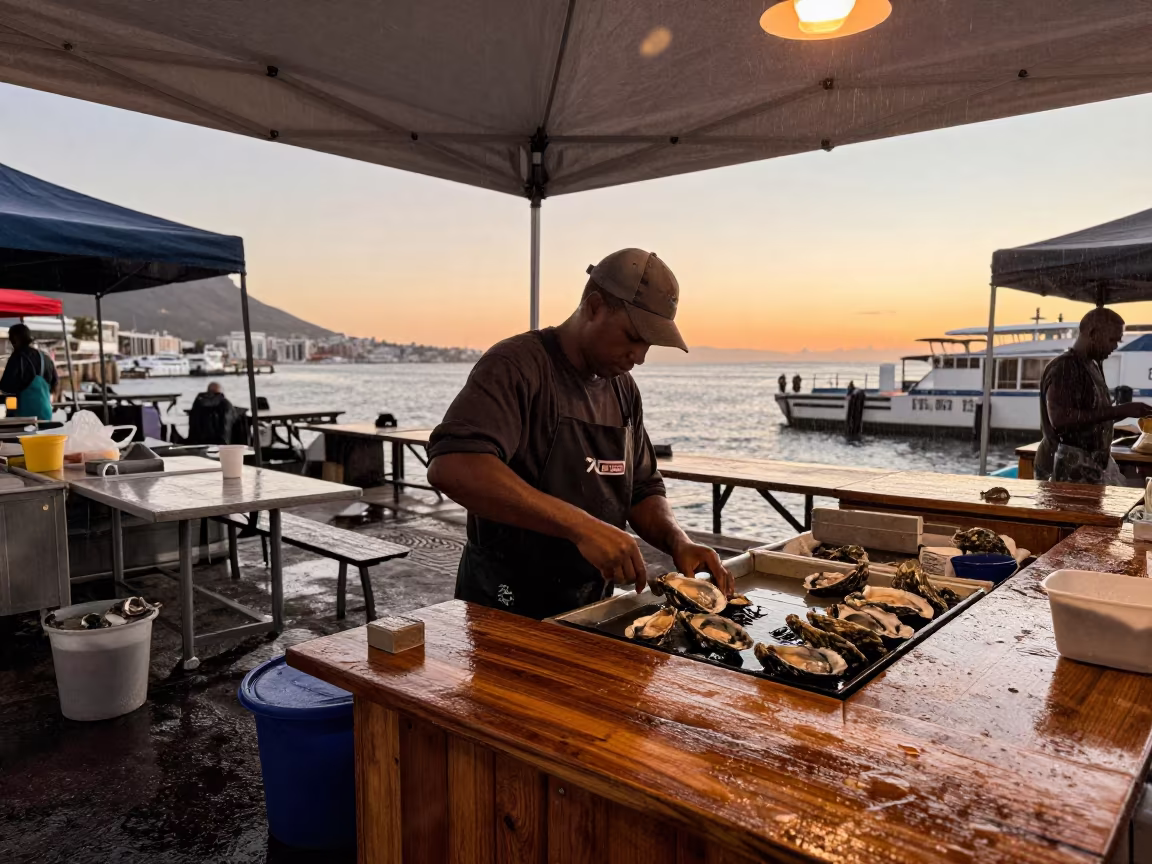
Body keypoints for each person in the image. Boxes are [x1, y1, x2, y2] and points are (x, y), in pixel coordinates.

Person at [427, 248, 732, 620]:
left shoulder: (623, 389)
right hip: (505, 600)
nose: (639, 356)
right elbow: (454, 466)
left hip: (591, 605)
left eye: (648, 344)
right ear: (594, 306)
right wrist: (581, 527)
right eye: (633, 336)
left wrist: (677, 540)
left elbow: (642, 488)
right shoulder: (516, 366)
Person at [1035, 308, 1152, 484]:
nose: (1115, 346)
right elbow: (1060, 420)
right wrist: (1118, 410)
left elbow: (1093, 417)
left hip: (1087, 467)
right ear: (1093, 333)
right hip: (1064, 470)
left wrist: (1129, 411)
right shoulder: (1064, 367)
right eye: (1112, 340)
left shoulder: (1091, 365)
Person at [0, 324, 58, 421]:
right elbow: (54, 385)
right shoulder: (45, 358)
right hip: (45, 415)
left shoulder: (18, 357)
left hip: (23, 418)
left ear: (15, 338)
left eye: (11, 338)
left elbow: (5, 387)